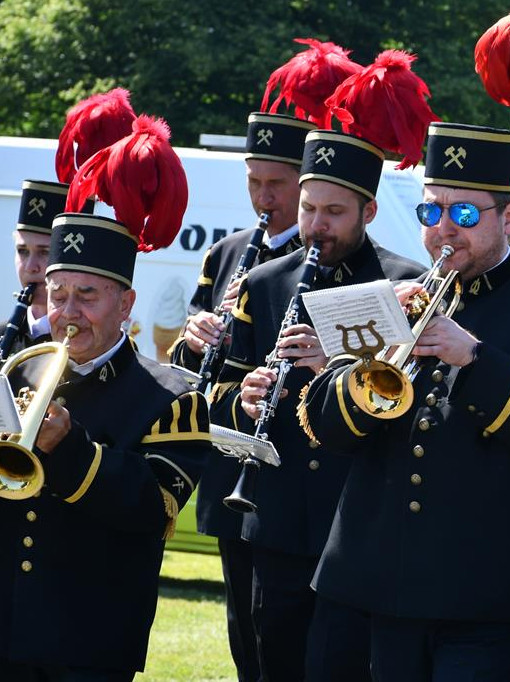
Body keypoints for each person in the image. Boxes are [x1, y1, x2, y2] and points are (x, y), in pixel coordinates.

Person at [299, 121, 510, 681]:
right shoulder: (394, 298)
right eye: (431, 212)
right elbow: (328, 429)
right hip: (384, 580)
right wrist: (374, 350)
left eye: (465, 215)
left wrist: (476, 359)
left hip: (490, 593)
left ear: (509, 217)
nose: (444, 229)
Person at [210, 128, 424, 681]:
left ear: (369, 211)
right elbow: (219, 394)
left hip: (357, 517)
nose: (316, 226)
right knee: (272, 660)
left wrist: (336, 364)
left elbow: (412, 402)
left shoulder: (406, 285)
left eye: (334, 212)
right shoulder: (264, 283)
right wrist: (247, 396)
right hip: (276, 516)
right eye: (308, 209)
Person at [0, 128, 210, 680]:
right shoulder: (16, 372)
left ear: (126, 303)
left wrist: (68, 447)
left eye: (88, 296)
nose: (68, 312)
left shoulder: (174, 397)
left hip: (89, 639)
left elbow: (151, 508)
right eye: (59, 293)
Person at [169, 108, 314, 682]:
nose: (263, 196)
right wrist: (192, 336)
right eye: (254, 181)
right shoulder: (227, 253)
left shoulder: (324, 254)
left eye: (276, 183)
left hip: (292, 471)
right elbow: (191, 372)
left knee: (288, 630)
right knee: (244, 625)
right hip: (229, 461)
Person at [2, 181, 94, 359]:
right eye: (22, 251)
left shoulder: (92, 343)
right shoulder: (4, 334)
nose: (30, 267)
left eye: (44, 252)